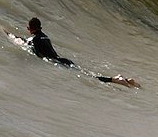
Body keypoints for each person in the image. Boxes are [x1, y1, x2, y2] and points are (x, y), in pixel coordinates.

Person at [10, 17, 140, 88]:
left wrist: (11, 36)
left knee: (88, 76)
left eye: (28, 28)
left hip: (58, 62)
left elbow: (25, 43)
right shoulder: (45, 36)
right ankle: (125, 80)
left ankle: (116, 79)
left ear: (30, 29)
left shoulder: (33, 39)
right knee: (87, 73)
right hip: (64, 59)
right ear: (40, 28)